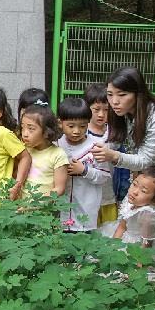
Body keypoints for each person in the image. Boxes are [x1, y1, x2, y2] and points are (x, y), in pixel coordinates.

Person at [91, 67, 155, 214]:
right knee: (131, 210)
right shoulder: (122, 111)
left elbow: (145, 159)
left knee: (154, 215)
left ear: (138, 94)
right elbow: (114, 139)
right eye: (109, 94)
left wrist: (113, 155)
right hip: (146, 163)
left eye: (122, 94)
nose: (114, 101)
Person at [57, 98, 111, 232]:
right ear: (60, 123)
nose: (76, 131)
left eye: (82, 126)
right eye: (71, 126)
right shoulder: (56, 145)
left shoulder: (96, 147)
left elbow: (105, 176)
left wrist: (85, 170)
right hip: (59, 212)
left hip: (84, 211)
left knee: (82, 249)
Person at [84, 83, 119, 225]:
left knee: (108, 232)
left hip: (108, 194)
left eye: (106, 110)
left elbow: (121, 165)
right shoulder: (80, 132)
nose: (101, 114)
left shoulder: (114, 133)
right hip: (85, 195)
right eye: (96, 109)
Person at [20, 102, 68, 196]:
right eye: (22, 127)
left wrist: (37, 203)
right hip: (21, 207)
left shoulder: (58, 154)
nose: (25, 133)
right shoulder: (23, 150)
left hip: (44, 209)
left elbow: (59, 188)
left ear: (46, 132)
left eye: (31, 129)